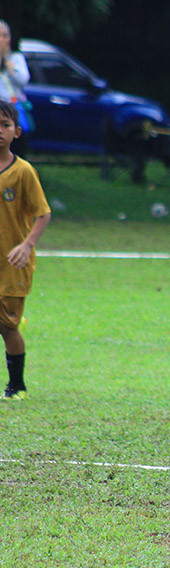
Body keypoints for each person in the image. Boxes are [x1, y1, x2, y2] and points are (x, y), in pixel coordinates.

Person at [0, 101, 50, 400]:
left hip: (12, 262)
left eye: (4, 125)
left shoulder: (23, 172)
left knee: (7, 326)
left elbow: (42, 213)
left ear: (17, 131)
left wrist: (27, 243)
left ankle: (16, 385)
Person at [0, 21, 31, 147]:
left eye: (5, 35)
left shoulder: (16, 58)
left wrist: (8, 64)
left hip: (11, 109)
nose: (2, 39)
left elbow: (24, 79)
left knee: (15, 146)